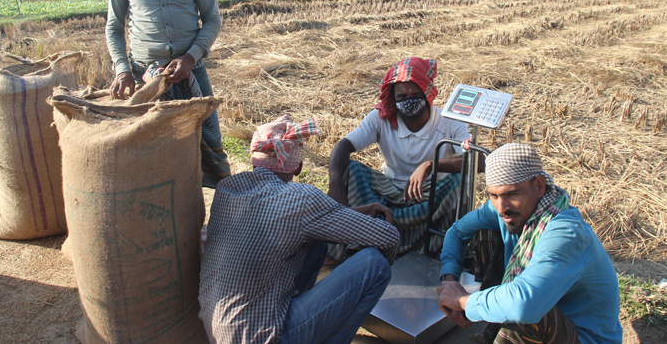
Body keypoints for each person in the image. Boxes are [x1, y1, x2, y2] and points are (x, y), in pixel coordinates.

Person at [199, 115, 400, 344]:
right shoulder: (301, 199)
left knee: (316, 240)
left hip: (218, 333)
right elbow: (388, 236)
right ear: (299, 168)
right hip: (267, 337)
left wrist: (352, 213)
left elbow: (313, 218)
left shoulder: (226, 190)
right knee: (374, 264)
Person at [437, 143, 622, 344]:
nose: (502, 207)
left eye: (512, 194)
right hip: (544, 320)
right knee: (485, 236)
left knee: (524, 311)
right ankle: (493, 333)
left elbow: (524, 305)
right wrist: (450, 281)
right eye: (494, 195)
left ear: (539, 186)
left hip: (583, 338)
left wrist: (462, 301)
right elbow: (457, 232)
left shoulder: (565, 232)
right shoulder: (503, 211)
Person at [105, 0, 229, 187]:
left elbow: (212, 18)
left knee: (208, 147)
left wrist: (191, 57)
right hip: (146, 77)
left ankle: (211, 220)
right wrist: (122, 69)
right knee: (151, 155)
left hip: (190, 73)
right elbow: (114, 28)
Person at [328, 57, 474, 261]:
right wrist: (335, 189)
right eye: (402, 96)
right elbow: (343, 147)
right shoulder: (381, 118)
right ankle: (361, 244)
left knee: (461, 182)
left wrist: (430, 165)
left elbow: (477, 161)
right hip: (388, 191)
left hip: (430, 194)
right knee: (350, 169)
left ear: (427, 93)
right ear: (393, 98)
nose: (409, 100)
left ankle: (438, 248)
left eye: (415, 94)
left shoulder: (449, 121)